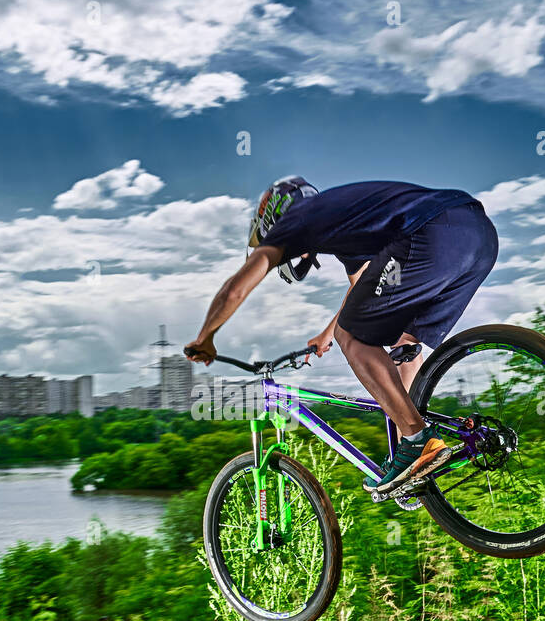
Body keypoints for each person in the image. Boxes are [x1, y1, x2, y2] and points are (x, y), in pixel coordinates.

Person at [185, 176, 499, 494]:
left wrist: (205, 337)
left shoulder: (294, 221)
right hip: (479, 237)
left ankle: (417, 439)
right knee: (405, 341)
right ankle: (415, 460)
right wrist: (327, 333)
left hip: (429, 233)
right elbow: (361, 285)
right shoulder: (338, 216)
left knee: (354, 338)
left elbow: (236, 289)